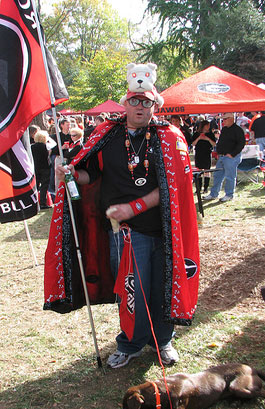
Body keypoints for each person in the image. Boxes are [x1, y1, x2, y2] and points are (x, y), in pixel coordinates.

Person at [46, 64, 199, 370]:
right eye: (135, 100)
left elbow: (174, 187)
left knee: (162, 288)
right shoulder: (106, 135)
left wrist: (135, 206)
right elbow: (92, 174)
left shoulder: (170, 137)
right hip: (125, 232)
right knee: (132, 289)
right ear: (125, 102)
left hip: (166, 230)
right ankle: (129, 344)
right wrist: (73, 173)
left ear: (155, 105)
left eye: (147, 102)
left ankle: (162, 341)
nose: (141, 107)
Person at [204, 113, 245, 202]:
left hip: (231, 157)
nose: (223, 121)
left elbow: (241, 144)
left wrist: (232, 154)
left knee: (230, 176)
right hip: (222, 156)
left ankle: (229, 194)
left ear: (231, 119)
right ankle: (214, 194)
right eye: (223, 119)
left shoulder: (238, 130)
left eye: (225, 119)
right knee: (217, 176)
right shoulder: (225, 129)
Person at [192, 120, 216, 193]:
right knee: (198, 170)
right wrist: (199, 138)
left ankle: (206, 187)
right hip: (199, 154)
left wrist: (207, 139)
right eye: (207, 125)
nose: (209, 127)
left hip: (207, 153)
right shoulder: (196, 134)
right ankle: (198, 188)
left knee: (207, 171)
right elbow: (193, 144)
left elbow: (214, 144)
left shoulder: (210, 134)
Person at [31, 130, 51, 209]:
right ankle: (42, 203)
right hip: (45, 167)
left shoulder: (32, 146)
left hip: (36, 167)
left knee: (35, 186)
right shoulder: (46, 146)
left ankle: (34, 203)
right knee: (44, 186)